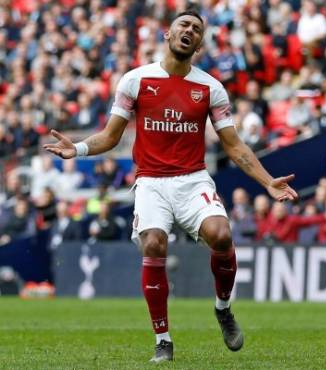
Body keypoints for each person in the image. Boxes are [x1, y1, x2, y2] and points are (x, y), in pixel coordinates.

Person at [44, 10, 298, 363]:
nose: (189, 31)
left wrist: (268, 181)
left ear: (199, 42)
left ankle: (223, 309)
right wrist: (80, 148)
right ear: (168, 33)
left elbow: (235, 146)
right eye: (184, 25)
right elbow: (110, 136)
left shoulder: (210, 87)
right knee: (153, 243)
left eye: (196, 29)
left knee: (222, 234)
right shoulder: (135, 80)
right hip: (150, 181)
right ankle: (163, 339)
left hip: (193, 180)